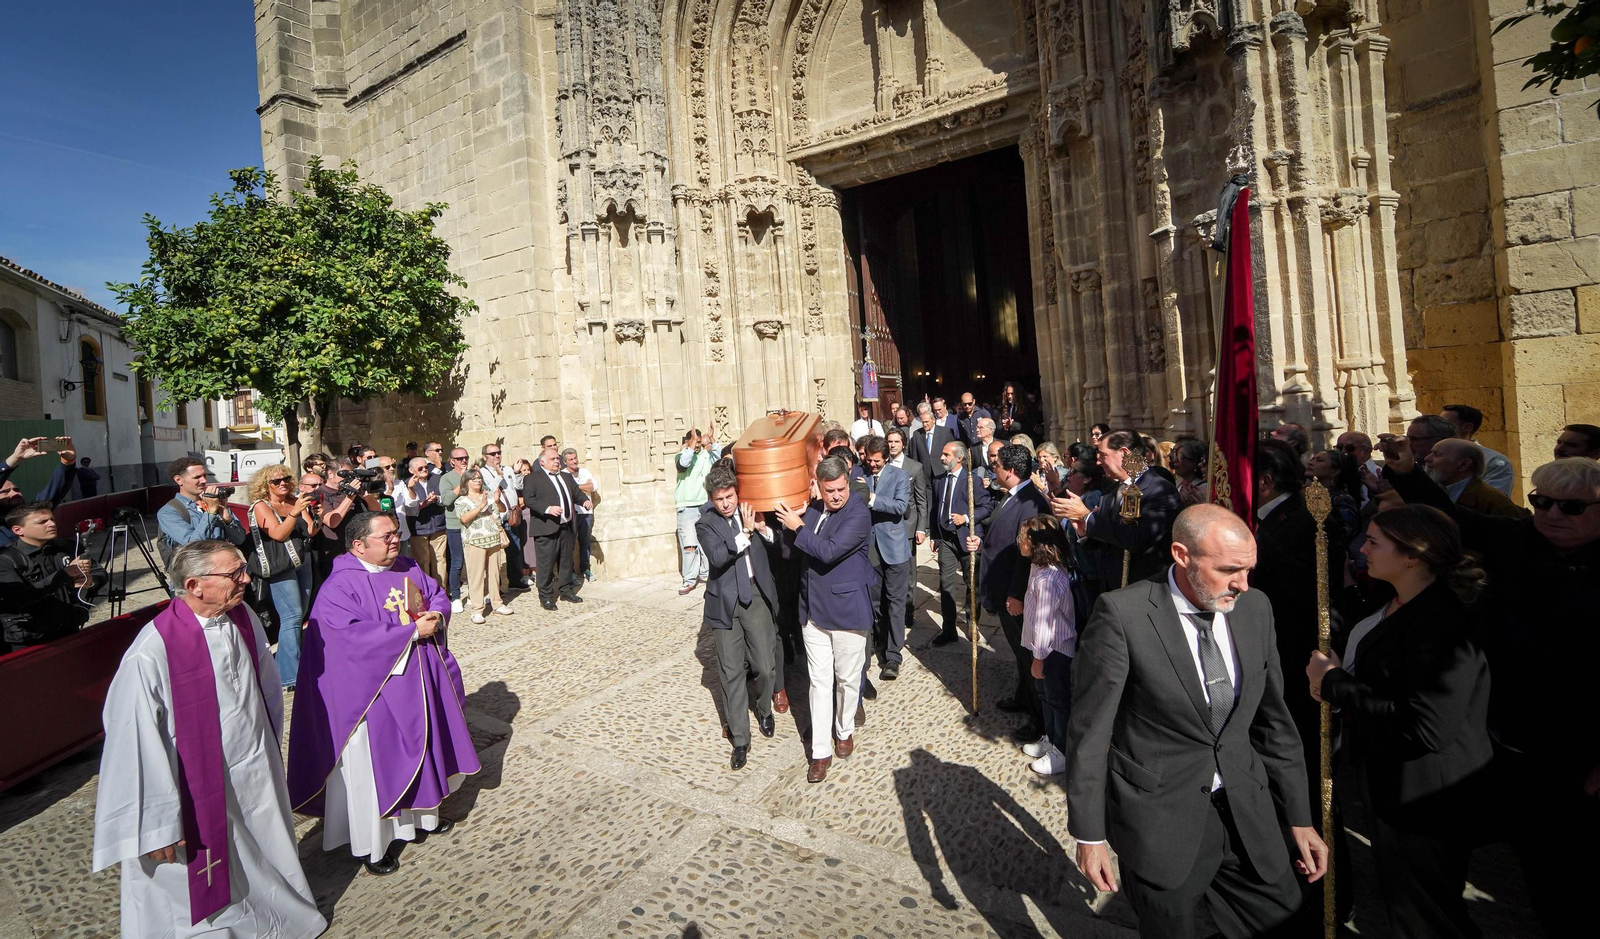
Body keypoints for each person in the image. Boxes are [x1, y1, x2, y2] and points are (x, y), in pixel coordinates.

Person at [1066, 505, 1328, 938]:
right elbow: (1090, 732)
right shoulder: (1123, 615)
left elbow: (1274, 723)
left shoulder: (1256, 608)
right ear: (1182, 555)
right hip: (1159, 824)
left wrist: (1300, 817)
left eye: (1248, 569)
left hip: (1248, 813)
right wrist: (1089, 835)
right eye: (1229, 570)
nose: (1242, 584)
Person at [1378, 442, 1600, 935]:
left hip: (1578, 748)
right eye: (1542, 501)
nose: (1553, 515)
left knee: (1574, 883)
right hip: (1507, 739)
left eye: (1572, 507)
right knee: (1537, 873)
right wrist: (1410, 473)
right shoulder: (1519, 539)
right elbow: (1451, 517)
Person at [92, 539, 325, 938]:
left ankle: (280, 922)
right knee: (197, 886)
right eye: (234, 573)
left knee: (262, 849)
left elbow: (266, 687)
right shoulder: (151, 652)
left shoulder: (241, 616)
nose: (247, 579)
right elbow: (132, 743)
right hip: (189, 790)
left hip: (250, 767)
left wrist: (267, 749)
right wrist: (155, 825)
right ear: (194, 584)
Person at [1306, 505, 1493, 938]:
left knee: (1427, 916)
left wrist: (1336, 685)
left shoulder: (1439, 622)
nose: (1362, 548)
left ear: (1412, 555)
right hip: (1391, 785)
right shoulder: (1395, 601)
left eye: (1374, 541)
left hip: (1428, 797)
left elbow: (1426, 727)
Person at [286, 513, 480, 876]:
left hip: (418, 682)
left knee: (425, 749)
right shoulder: (339, 587)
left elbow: (436, 595)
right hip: (372, 695)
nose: (395, 540)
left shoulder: (407, 566)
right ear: (359, 545)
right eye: (386, 536)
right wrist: (408, 634)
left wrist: (435, 617)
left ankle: (422, 819)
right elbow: (345, 640)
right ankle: (373, 845)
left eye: (397, 534)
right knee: (379, 768)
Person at [773, 455, 871, 784]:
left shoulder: (858, 513)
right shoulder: (813, 509)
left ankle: (843, 730)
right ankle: (819, 753)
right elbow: (793, 552)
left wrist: (798, 527)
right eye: (829, 490)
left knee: (846, 679)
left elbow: (828, 551)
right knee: (818, 682)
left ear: (849, 479)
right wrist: (776, 530)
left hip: (846, 613)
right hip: (812, 612)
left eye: (841, 488)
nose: (836, 496)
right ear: (818, 485)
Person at [696, 465, 781, 771]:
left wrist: (759, 528)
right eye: (720, 499)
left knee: (765, 666)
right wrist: (743, 532)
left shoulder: (752, 509)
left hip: (755, 596)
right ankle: (741, 740)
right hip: (725, 605)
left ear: (736, 492)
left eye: (730, 496)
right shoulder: (705, 524)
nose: (726, 504)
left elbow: (777, 541)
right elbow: (718, 557)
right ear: (712, 499)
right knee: (731, 673)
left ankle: (764, 709)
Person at [968, 443, 1052, 737]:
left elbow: (1026, 555)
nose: (994, 469)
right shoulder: (1013, 496)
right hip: (1003, 589)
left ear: (1012, 471)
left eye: (998, 466)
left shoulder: (1031, 502)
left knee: (1030, 657)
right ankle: (1022, 698)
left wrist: (1016, 594)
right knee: (1019, 652)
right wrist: (981, 544)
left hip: (1016, 595)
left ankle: (1040, 720)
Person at [1051, 430, 1182, 587]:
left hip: (1145, 589)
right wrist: (1083, 529)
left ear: (1124, 453)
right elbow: (1106, 542)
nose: (1098, 462)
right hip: (1112, 588)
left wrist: (1088, 517)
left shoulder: (1159, 490)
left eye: (1103, 455)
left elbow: (1136, 540)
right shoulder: (1110, 492)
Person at [245, 464, 317, 689]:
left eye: (286, 478)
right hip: (281, 565)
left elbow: (311, 531)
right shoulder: (261, 506)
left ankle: (288, 666)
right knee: (292, 616)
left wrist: (317, 516)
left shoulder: (294, 500)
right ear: (265, 485)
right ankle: (288, 675)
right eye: (276, 481)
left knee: (301, 613)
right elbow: (277, 534)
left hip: (301, 561)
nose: (283, 483)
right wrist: (294, 513)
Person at [0, 502, 106, 654]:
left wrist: (90, 581)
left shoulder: (66, 547)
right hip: (30, 641)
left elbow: (99, 572)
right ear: (18, 530)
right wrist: (64, 574)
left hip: (68, 629)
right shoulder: (6, 559)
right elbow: (18, 599)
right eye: (42, 522)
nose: (51, 524)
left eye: (52, 519)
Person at [1016, 515, 1075, 777]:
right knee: (1045, 697)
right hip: (1041, 649)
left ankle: (1062, 750)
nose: (1020, 541)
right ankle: (1050, 739)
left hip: (1053, 651)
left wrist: (1038, 658)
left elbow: (1045, 623)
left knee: (1058, 700)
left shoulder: (1048, 579)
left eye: (1024, 537)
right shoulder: (1036, 569)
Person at [927, 441, 992, 645]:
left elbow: (986, 507)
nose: (942, 458)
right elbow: (935, 509)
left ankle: (973, 623)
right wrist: (935, 536)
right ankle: (948, 629)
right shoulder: (940, 480)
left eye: (946, 454)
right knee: (945, 584)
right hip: (946, 539)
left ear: (959, 458)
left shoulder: (972, 481)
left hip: (966, 538)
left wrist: (965, 517)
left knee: (972, 583)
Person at [859, 436, 912, 681]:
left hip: (894, 550)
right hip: (870, 549)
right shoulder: (861, 476)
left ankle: (893, 655)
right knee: (875, 602)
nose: (872, 464)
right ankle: (879, 643)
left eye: (877, 461)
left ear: (886, 458)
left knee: (895, 602)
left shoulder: (899, 476)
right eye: (869, 460)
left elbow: (901, 507)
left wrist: (872, 499)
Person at [526, 447, 587, 611]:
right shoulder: (533, 478)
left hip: (566, 526)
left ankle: (566, 590)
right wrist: (547, 509)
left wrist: (585, 501)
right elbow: (529, 500)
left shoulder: (566, 476)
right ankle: (545, 596)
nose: (556, 461)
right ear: (542, 462)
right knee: (546, 563)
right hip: (546, 527)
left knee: (566, 561)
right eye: (553, 459)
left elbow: (576, 494)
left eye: (557, 458)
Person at [157, 457, 247, 565]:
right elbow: (194, 544)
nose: (204, 481)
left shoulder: (213, 502)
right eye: (197, 477)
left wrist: (228, 521)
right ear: (178, 480)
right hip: (196, 575)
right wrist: (210, 514)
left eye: (204, 476)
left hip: (223, 568)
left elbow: (240, 540)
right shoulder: (168, 512)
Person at [455, 470, 513, 623]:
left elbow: (500, 511)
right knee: (476, 576)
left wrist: (497, 501)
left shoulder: (487, 494)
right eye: (474, 479)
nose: (478, 481)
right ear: (466, 482)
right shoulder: (461, 500)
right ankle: (477, 609)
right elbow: (464, 518)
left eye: (479, 478)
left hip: (493, 539)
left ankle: (497, 603)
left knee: (494, 573)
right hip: (475, 542)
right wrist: (480, 506)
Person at [0, 436, 79, 549]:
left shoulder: (28, 513)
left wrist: (68, 462)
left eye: (17, 489)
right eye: (6, 491)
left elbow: (54, 490)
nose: (15, 493)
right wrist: (15, 459)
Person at [1424, 438, 1527, 519]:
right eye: (1431, 453)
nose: (1427, 458)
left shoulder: (1493, 502)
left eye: (1437, 454)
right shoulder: (1430, 491)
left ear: (1464, 464)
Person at [476, 443, 527, 590]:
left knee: (515, 550)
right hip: (495, 519)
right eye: (493, 454)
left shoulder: (508, 469)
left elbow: (517, 487)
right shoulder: (482, 473)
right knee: (494, 557)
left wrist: (517, 473)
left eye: (498, 452)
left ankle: (515, 581)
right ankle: (495, 588)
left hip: (511, 516)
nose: (497, 456)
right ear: (485, 457)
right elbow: (490, 490)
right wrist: (499, 476)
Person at [675, 429, 717, 595]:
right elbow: (683, 464)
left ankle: (707, 574)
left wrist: (712, 439)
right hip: (687, 507)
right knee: (690, 545)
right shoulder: (681, 455)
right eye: (694, 442)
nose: (697, 446)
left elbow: (719, 457)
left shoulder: (705, 456)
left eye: (699, 443)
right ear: (687, 442)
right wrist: (691, 445)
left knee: (707, 541)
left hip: (705, 505)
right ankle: (689, 579)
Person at [395, 456, 448, 587]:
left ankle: (441, 590)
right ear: (412, 470)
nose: (425, 469)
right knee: (423, 561)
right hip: (419, 528)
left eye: (426, 467)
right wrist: (423, 505)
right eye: (421, 468)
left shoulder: (436, 479)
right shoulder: (406, 484)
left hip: (438, 525)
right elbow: (407, 508)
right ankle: (426, 591)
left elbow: (445, 498)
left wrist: (437, 499)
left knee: (440, 560)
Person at [1440, 403, 1514, 496]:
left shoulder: (1494, 462)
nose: (1439, 427)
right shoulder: (1431, 456)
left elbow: (1491, 501)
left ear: (1467, 427)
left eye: (1445, 424)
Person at [440, 446, 472, 612]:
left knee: (473, 562)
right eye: (459, 459)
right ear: (452, 461)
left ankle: (475, 594)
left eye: (465, 457)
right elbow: (446, 500)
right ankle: (456, 596)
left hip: (473, 525)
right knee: (457, 562)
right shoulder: (446, 478)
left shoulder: (474, 474)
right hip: (455, 526)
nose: (464, 461)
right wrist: (463, 482)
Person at [563, 448, 598, 582]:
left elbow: (594, 486)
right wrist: (584, 486)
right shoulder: (563, 474)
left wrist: (577, 486)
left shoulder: (585, 471)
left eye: (575, 458)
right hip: (572, 513)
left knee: (585, 542)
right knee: (570, 544)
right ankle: (570, 572)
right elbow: (569, 490)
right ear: (565, 462)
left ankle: (585, 569)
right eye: (571, 459)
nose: (574, 461)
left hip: (586, 513)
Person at [909, 403, 955, 486]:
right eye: (923, 422)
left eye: (927, 422)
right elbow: (915, 456)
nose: (924, 424)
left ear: (933, 420)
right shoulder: (917, 434)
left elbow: (952, 452)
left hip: (942, 472)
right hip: (925, 475)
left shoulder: (945, 432)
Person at [1168, 437, 1209, 507]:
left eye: (1180, 457)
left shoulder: (1203, 488)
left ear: (1194, 462)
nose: (1174, 461)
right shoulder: (1176, 483)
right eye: (1173, 455)